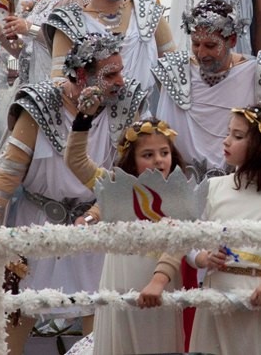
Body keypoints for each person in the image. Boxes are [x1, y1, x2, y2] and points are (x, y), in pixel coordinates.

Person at [0, 32, 145, 355]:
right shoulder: (39, 103)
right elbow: (7, 176)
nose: (121, 81)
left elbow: (126, 178)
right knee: (14, 319)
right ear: (81, 75)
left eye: (121, 70)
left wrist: (96, 214)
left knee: (101, 328)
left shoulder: (124, 105)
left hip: (95, 229)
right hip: (35, 227)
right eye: (111, 74)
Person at [140, 104, 261, 355]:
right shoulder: (213, 187)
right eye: (228, 133)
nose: (226, 141)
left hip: (258, 302)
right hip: (215, 296)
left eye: (238, 136)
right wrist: (202, 257)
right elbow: (186, 237)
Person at [64, 117, 186, 354]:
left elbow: (179, 244)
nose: (158, 160)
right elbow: (77, 162)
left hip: (158, 287)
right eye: (148, 155)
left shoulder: (180, 196)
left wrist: (157, 282)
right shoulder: (117, 189)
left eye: (164, 152)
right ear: (132, 161)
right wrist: (83, 119)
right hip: (118, 282)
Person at [153, 0, 261, 175]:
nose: (202, 53)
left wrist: (258, 160)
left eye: (211, 45)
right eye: (196, 44)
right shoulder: (173, 72)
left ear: (232, 40)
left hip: (241, 187)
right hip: (183, 188)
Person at [46, 0, 174, 101]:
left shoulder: (147, 11)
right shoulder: (71, 22)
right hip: (92, 119)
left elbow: (173, 70)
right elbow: (58, 81)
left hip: (144, 120)